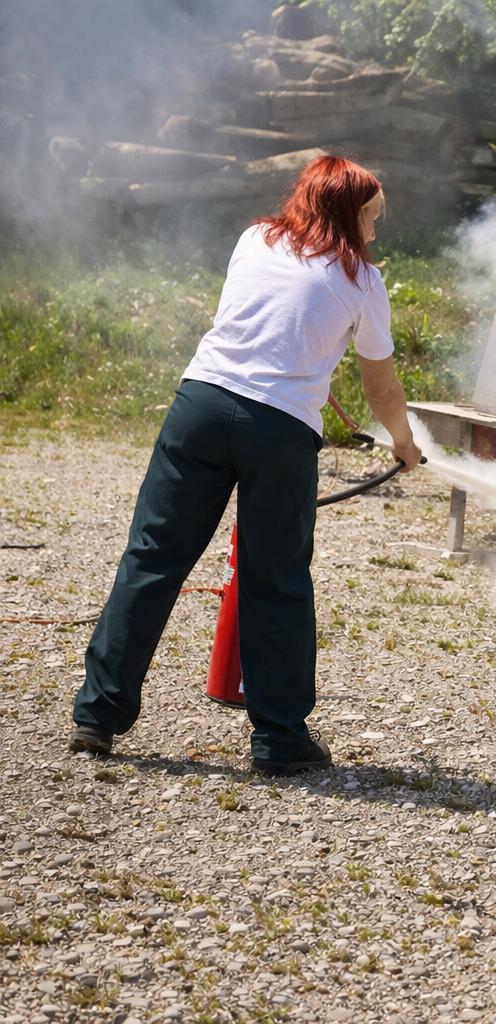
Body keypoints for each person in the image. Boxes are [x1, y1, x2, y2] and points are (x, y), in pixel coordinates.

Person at [67, 155, 422, 776]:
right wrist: (403, 443)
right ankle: (279, 740)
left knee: (152, 558)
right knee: (275, 580)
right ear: (347, 211)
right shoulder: (363, 281)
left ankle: (97, 714)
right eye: (371, 217)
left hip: (200, 404)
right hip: (278, 431)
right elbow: (382, 391)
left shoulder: (255, 238)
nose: (375, 230)